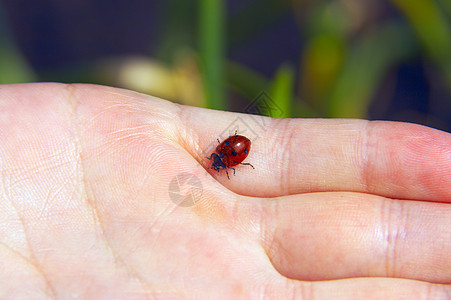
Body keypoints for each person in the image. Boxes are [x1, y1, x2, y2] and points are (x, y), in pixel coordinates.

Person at [0, 83, 450, 299]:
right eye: (224, 161)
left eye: (223, 161)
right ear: (224, 157)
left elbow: (235, 147)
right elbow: (234, 148)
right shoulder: (228, 153)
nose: (221, 163)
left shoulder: (228, 152)